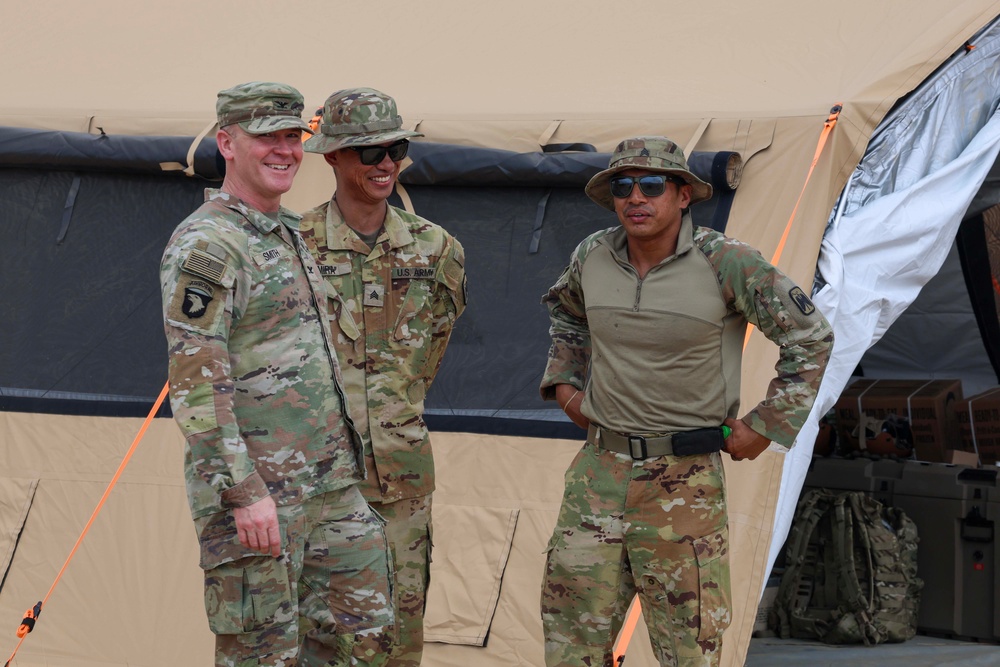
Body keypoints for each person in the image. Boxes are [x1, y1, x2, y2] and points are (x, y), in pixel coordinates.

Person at [538, 137, 833, 667]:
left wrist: (766, 425)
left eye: (652, 185)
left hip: (684, 482)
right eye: (623, 187)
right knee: (571, 642)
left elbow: (810, 336)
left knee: (689, 649)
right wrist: (565, 387)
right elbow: (565, 314)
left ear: (683, 197)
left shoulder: (725, 261)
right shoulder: (593, 255)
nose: (636, 197)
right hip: (597, 476)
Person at [160, 81, 394, 667]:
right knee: (264, 656)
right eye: (266, 137)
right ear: (227, 143)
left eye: (292, 137)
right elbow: (195, 385)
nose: (284, 150)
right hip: (263, 501)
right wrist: (242, 493)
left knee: (356, 644)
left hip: (330, 489)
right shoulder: (210, 244)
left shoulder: (286, 230)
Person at [298, 87, 467, 667]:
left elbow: (430, 355)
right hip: (316, 486)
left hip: (399, 483)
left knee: (396, 643)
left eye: (394, 148)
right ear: (333, 158)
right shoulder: (293, 248)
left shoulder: (438, 249)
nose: (386, 164)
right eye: (369, 152)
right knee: (316, 639)